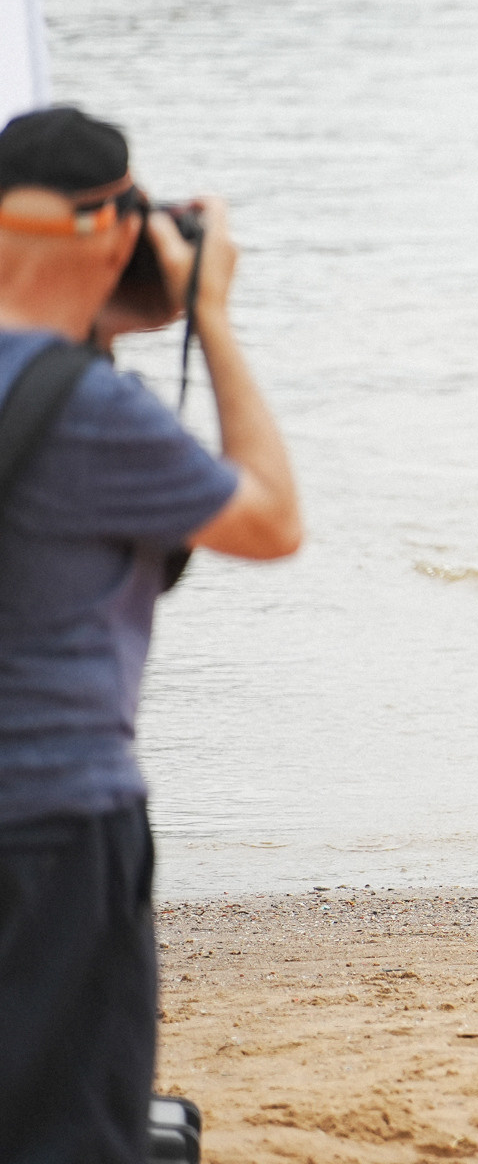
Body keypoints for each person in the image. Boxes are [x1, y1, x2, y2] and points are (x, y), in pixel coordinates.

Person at [0, 106, 302, 1162]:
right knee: (71, 1126)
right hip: (55, 824)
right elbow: (270, 518)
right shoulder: (94, 415)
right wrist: (211, 315)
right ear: (113, 230)